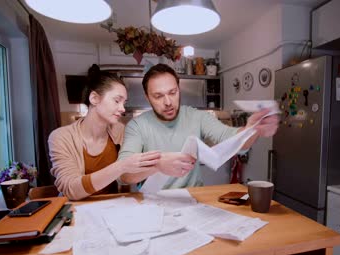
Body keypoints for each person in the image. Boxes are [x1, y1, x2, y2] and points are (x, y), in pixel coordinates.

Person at [118, 63, 279, 189]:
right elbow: (124, 174)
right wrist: (157, 166)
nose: (168, 102)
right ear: (147, 97)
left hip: (193, 199)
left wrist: (253, 129)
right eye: (158, 96)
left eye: (173, 93)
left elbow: (232, 139)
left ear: (179, 89)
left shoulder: (197, 116)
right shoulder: (137, 126)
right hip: (153, 202)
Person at [48, 64, 161, 200]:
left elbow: (127, 177)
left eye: (124, 103)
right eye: (117, 101)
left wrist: (159, 166)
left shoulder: (120, 131)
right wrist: (121, 166)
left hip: (113, 208)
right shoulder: (61, 137)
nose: (123, 108)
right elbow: (71, 190)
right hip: (77, 211)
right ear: (94, 98)